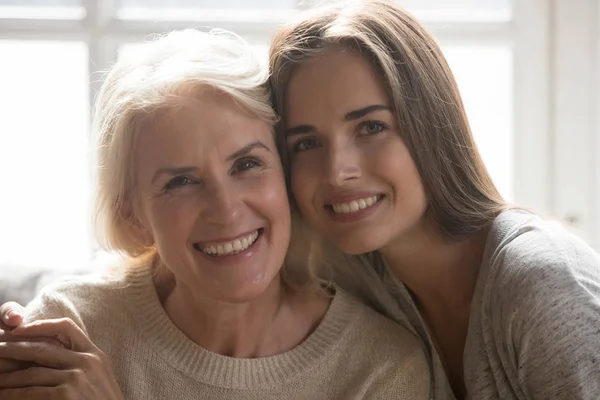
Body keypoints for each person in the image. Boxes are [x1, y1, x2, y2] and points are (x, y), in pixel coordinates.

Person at [0, 28, 430, 399]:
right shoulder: (69, 334)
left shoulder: (381, 369)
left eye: (247, 165)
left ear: (286, 174)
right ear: (133, 214)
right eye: (181, 182)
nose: (226, 211)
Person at [266, 1, 600, 399]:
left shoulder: (542, 283)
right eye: (307, 142)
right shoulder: (349, 284)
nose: (337, 171)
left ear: (430, 126)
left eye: (371, 127)